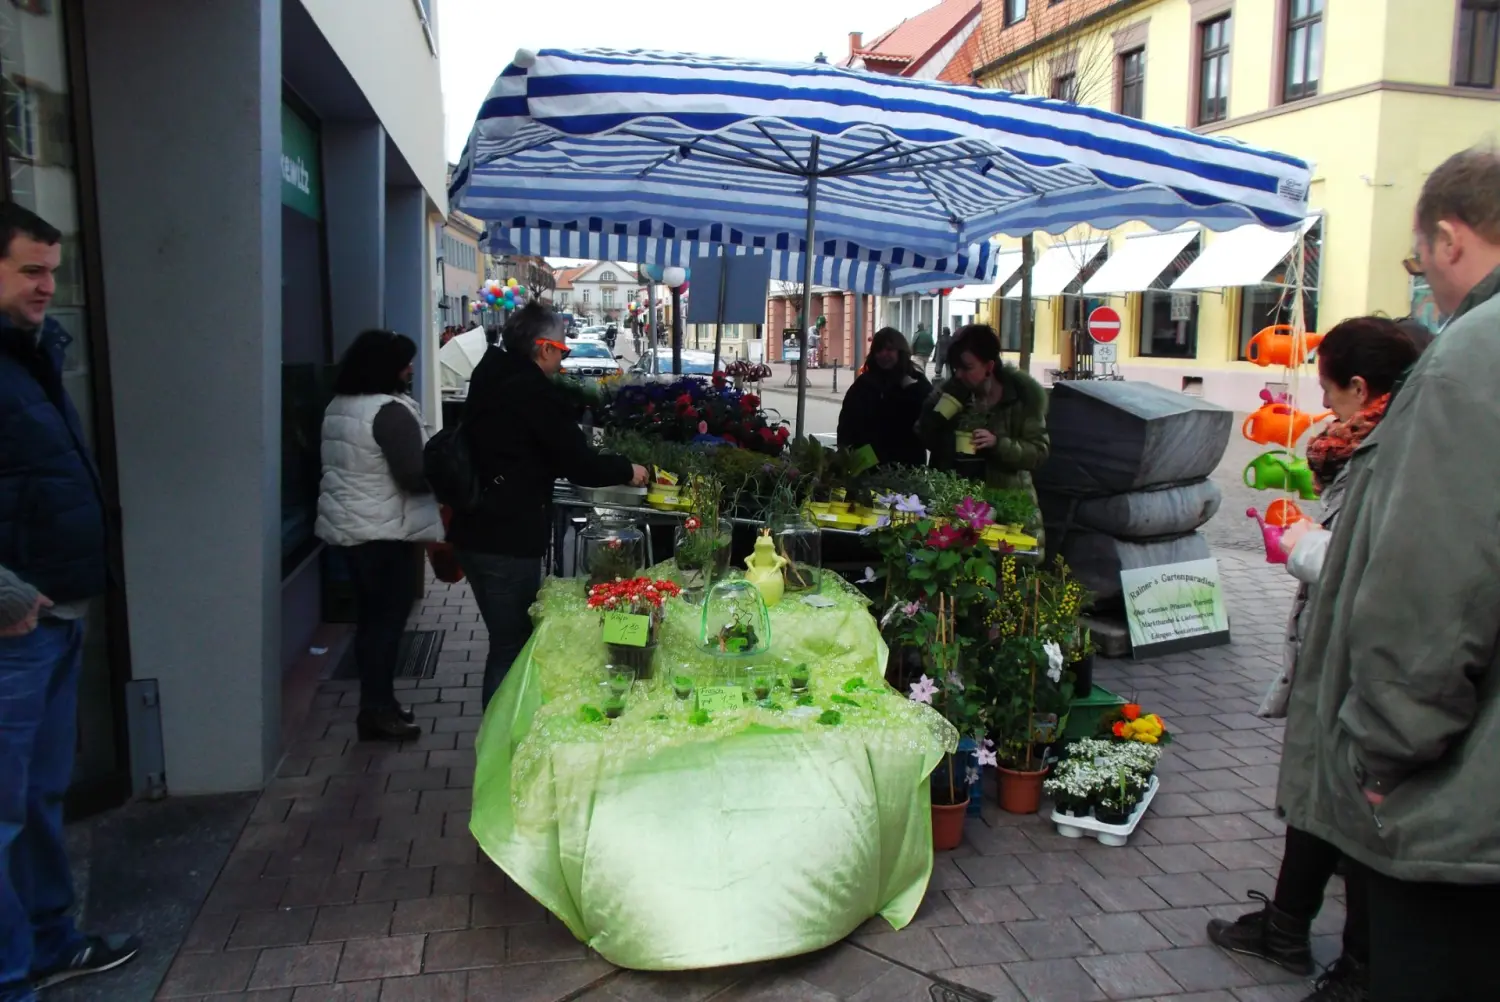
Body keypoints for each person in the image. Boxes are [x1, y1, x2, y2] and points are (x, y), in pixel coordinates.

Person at [1281, 147, 1500, 1002]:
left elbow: (1432, 596)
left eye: (1419, 262)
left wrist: (1378, 755)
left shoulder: (1470, 359)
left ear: (1448, 241)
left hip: (1461, 807)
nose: (1427, 285)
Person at [1212, 317, 1425, 1002]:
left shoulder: (1405, 450)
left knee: (1360, 807)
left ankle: (1360, 965)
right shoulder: (1372, 441)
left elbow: (1383, 561)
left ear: (1362, 389)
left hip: (1371, 652)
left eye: (1331, 394)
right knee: (1320, 795)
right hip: (1338, 647)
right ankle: (1285, 925)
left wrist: (1304, 544)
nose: (1324, 413)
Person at [0, 202, 139, 1000]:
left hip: (48, 617)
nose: (48, 285)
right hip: (12, 623)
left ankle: (49, 944)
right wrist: (7, 594)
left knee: (37, 801)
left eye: (53, 270)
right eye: (30, 270)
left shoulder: (30, 356)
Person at [449, 303, 648, 707]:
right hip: (505, 536)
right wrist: (628, 468)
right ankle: (500, 744)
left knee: (504, 642)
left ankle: (501, 734)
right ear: (542, 348)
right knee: (510, 647)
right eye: (562, 350)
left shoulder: (492, 375)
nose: (563, 359)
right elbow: (578, 464)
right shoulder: (531, 392)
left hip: (475, 528)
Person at [315, 330, 441, 742]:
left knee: (371, 621)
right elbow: (412, 476)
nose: (410, 369)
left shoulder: (340, 405)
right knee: (386, 624)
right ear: (385, 367)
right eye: (405, 362)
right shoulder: (387, 411)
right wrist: (446, 469)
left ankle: (379, 703)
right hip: (383, 532)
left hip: (353, 529)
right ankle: (377, 710)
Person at [918, 323, 1049, 517]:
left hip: (1006, 509)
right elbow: (924, 435)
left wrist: (998, 443)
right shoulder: (952, 393)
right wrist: (936, 417)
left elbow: (1038, 452)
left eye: (967, 367)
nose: (960, 375)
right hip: (953, 507)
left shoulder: (1020, 399)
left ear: (989, 366)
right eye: (956, 368)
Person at [836, 328, 930, 468]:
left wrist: (912, 390)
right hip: (869, 465)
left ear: (900, 351)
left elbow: (928, 418)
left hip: (907, 463)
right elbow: (847, 422)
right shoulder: (864, 383)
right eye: (879, 350)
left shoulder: (916, 382)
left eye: (889, 349)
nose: (883, 354)